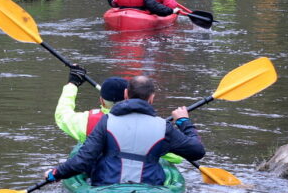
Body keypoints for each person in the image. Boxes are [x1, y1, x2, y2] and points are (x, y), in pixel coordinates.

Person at [44, 76, 205, 186]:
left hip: (107, 185)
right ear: (152, 98)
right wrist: (184, 122)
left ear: (126, 94)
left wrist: (55, 173)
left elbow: (84, 159)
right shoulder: (164, 128)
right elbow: (197, 151)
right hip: (149, 185)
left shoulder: (106, 122)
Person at [55, 66, 128, 143]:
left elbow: (62, 115)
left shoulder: (87, 121)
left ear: (101, 101)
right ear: (128, 96)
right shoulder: (140, 121)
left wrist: (73, 83)